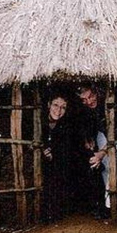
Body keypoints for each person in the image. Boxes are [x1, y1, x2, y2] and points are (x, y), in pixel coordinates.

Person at [78, 84, 109, 219]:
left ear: (97, 92)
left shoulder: (108, 103)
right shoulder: (86, 111)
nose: (89, 101)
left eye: (90, 96)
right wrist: (88, 139)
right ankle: (99, 206)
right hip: (103, 136)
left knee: (107, 165)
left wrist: (102, 153)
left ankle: (108, 205)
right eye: (84, 99)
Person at [41, 94, 72, 222]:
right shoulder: (39, 121)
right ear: (48, 104)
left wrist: (55, 153)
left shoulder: (65, 126)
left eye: (63, 107)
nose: (58, 111)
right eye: (55, 105)